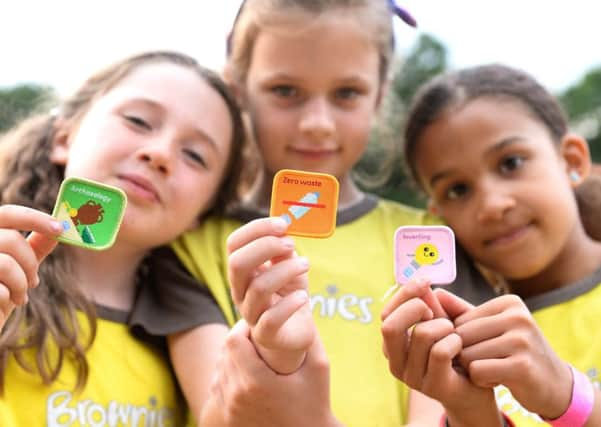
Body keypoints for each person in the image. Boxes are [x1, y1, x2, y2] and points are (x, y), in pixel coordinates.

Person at [167, 1, 492, 426]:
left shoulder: (427, 239)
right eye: (285, 91)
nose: (317, 123)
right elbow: (218, 415)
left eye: (346, 93)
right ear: (238, 88)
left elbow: (446, 402)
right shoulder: (190, 245)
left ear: (379, 94)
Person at [0, 50, 245, 426]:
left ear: (203, 215)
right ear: (64, 137)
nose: (160, 153)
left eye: (195, 156)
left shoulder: (201, 328)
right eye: (138, 121)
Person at [381, 63, 601, 426]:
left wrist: (566, 395)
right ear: (438, 216)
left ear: (572, 161)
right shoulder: (445, 340)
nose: (492, 206)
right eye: (458, 190)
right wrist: (468, 411)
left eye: (511, 163)